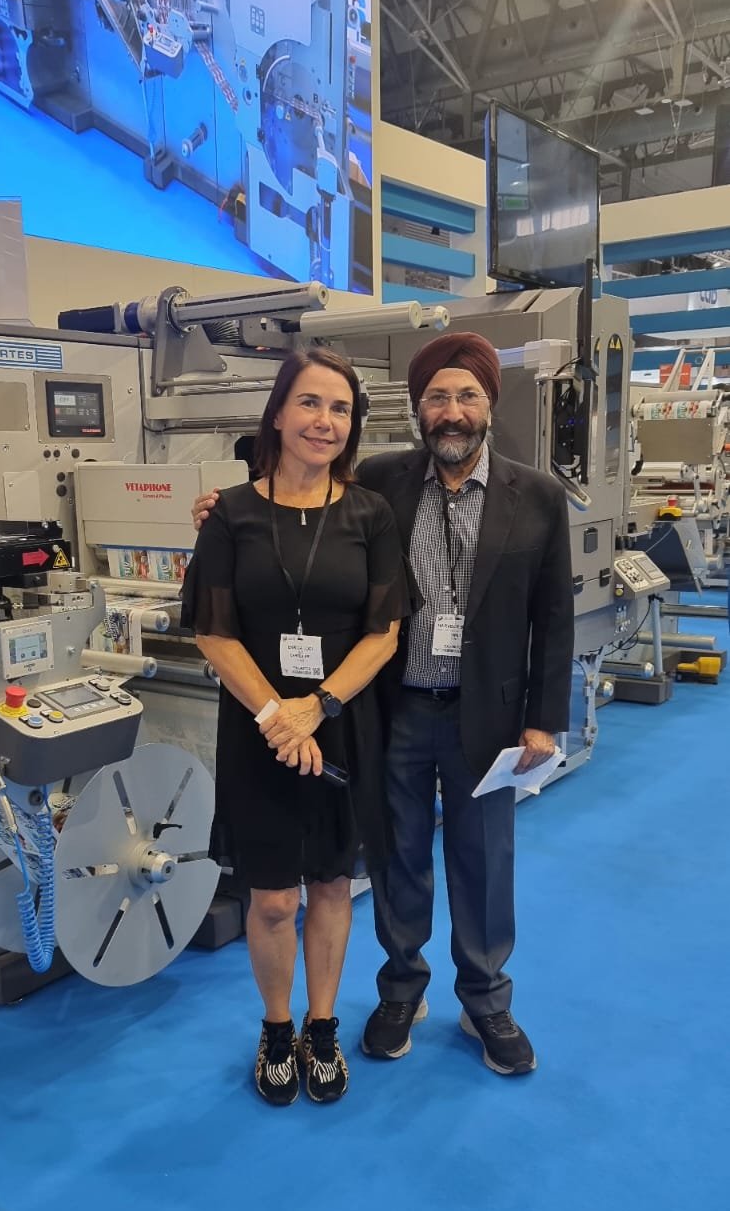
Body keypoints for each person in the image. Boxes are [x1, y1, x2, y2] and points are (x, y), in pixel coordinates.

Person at [192, 331, 574, 1077]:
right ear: (418, 408)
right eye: (437, 397)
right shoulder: (382, 482)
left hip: (488, 715)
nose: (453, 411)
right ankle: (401, 988)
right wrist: (216, 512)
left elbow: (553, 616)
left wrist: (543, 718)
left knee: (483, 861)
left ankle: (486, 999)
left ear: (490, 404)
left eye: (467, 396)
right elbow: (298, 500)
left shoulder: (536, 496)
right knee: (397, 857)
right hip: (395, 709)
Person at [181, 350, 416, 1107]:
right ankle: (277, 1027)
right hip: (259, 732)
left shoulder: (370, 515)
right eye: (310, 403)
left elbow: (384, 631)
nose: (325, 421)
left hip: (340, 723)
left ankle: (322, 1025)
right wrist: (276, 716)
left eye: (341, 409)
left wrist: (318, 706)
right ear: (278, 413)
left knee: (333, 886)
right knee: (274, 897)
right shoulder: (230, 515)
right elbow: (213, 631)